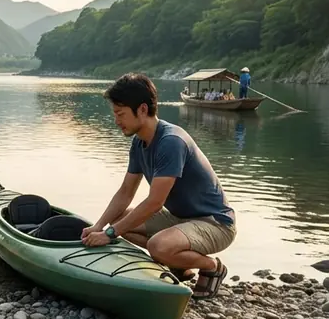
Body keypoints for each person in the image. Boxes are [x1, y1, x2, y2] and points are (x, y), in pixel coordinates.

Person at [82, 73, 237, 299]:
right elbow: (125, 192)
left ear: (142, 109)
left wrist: (110, 234)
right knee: (118, 219)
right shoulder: (139, 142)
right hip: (180, 218)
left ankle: (211, 267)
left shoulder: (171, 142)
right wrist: (99, 226)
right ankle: (180, 264)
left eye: (120, 114)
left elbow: (155, 202)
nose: (116, 120)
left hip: (215, 223)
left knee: (157, 246)